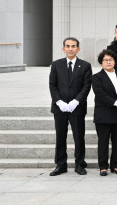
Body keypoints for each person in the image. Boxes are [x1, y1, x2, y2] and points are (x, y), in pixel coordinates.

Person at [49, 37, 92, 176]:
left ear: (78, 49)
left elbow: (86, 86)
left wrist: (76, 101)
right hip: (59, 108)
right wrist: (59, 102)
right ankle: (61, 165)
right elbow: (52, 85)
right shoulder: (56, 65)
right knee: (60, 137)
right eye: (68, 46)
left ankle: (80, 164)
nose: (70, 49)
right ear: (63, 49)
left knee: (79, 137)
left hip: (77, 108)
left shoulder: (85, 65)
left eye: (73, 46)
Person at [91, 49, 117, 176]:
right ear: (101, 62)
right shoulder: (96, 77)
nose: (108, 62)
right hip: (103, 114)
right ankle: (103, 167)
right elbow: (100, 94)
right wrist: (116, 103)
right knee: (103, 141)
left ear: (114, 61)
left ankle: (115, 165)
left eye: (111, 59)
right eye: (105, 60)